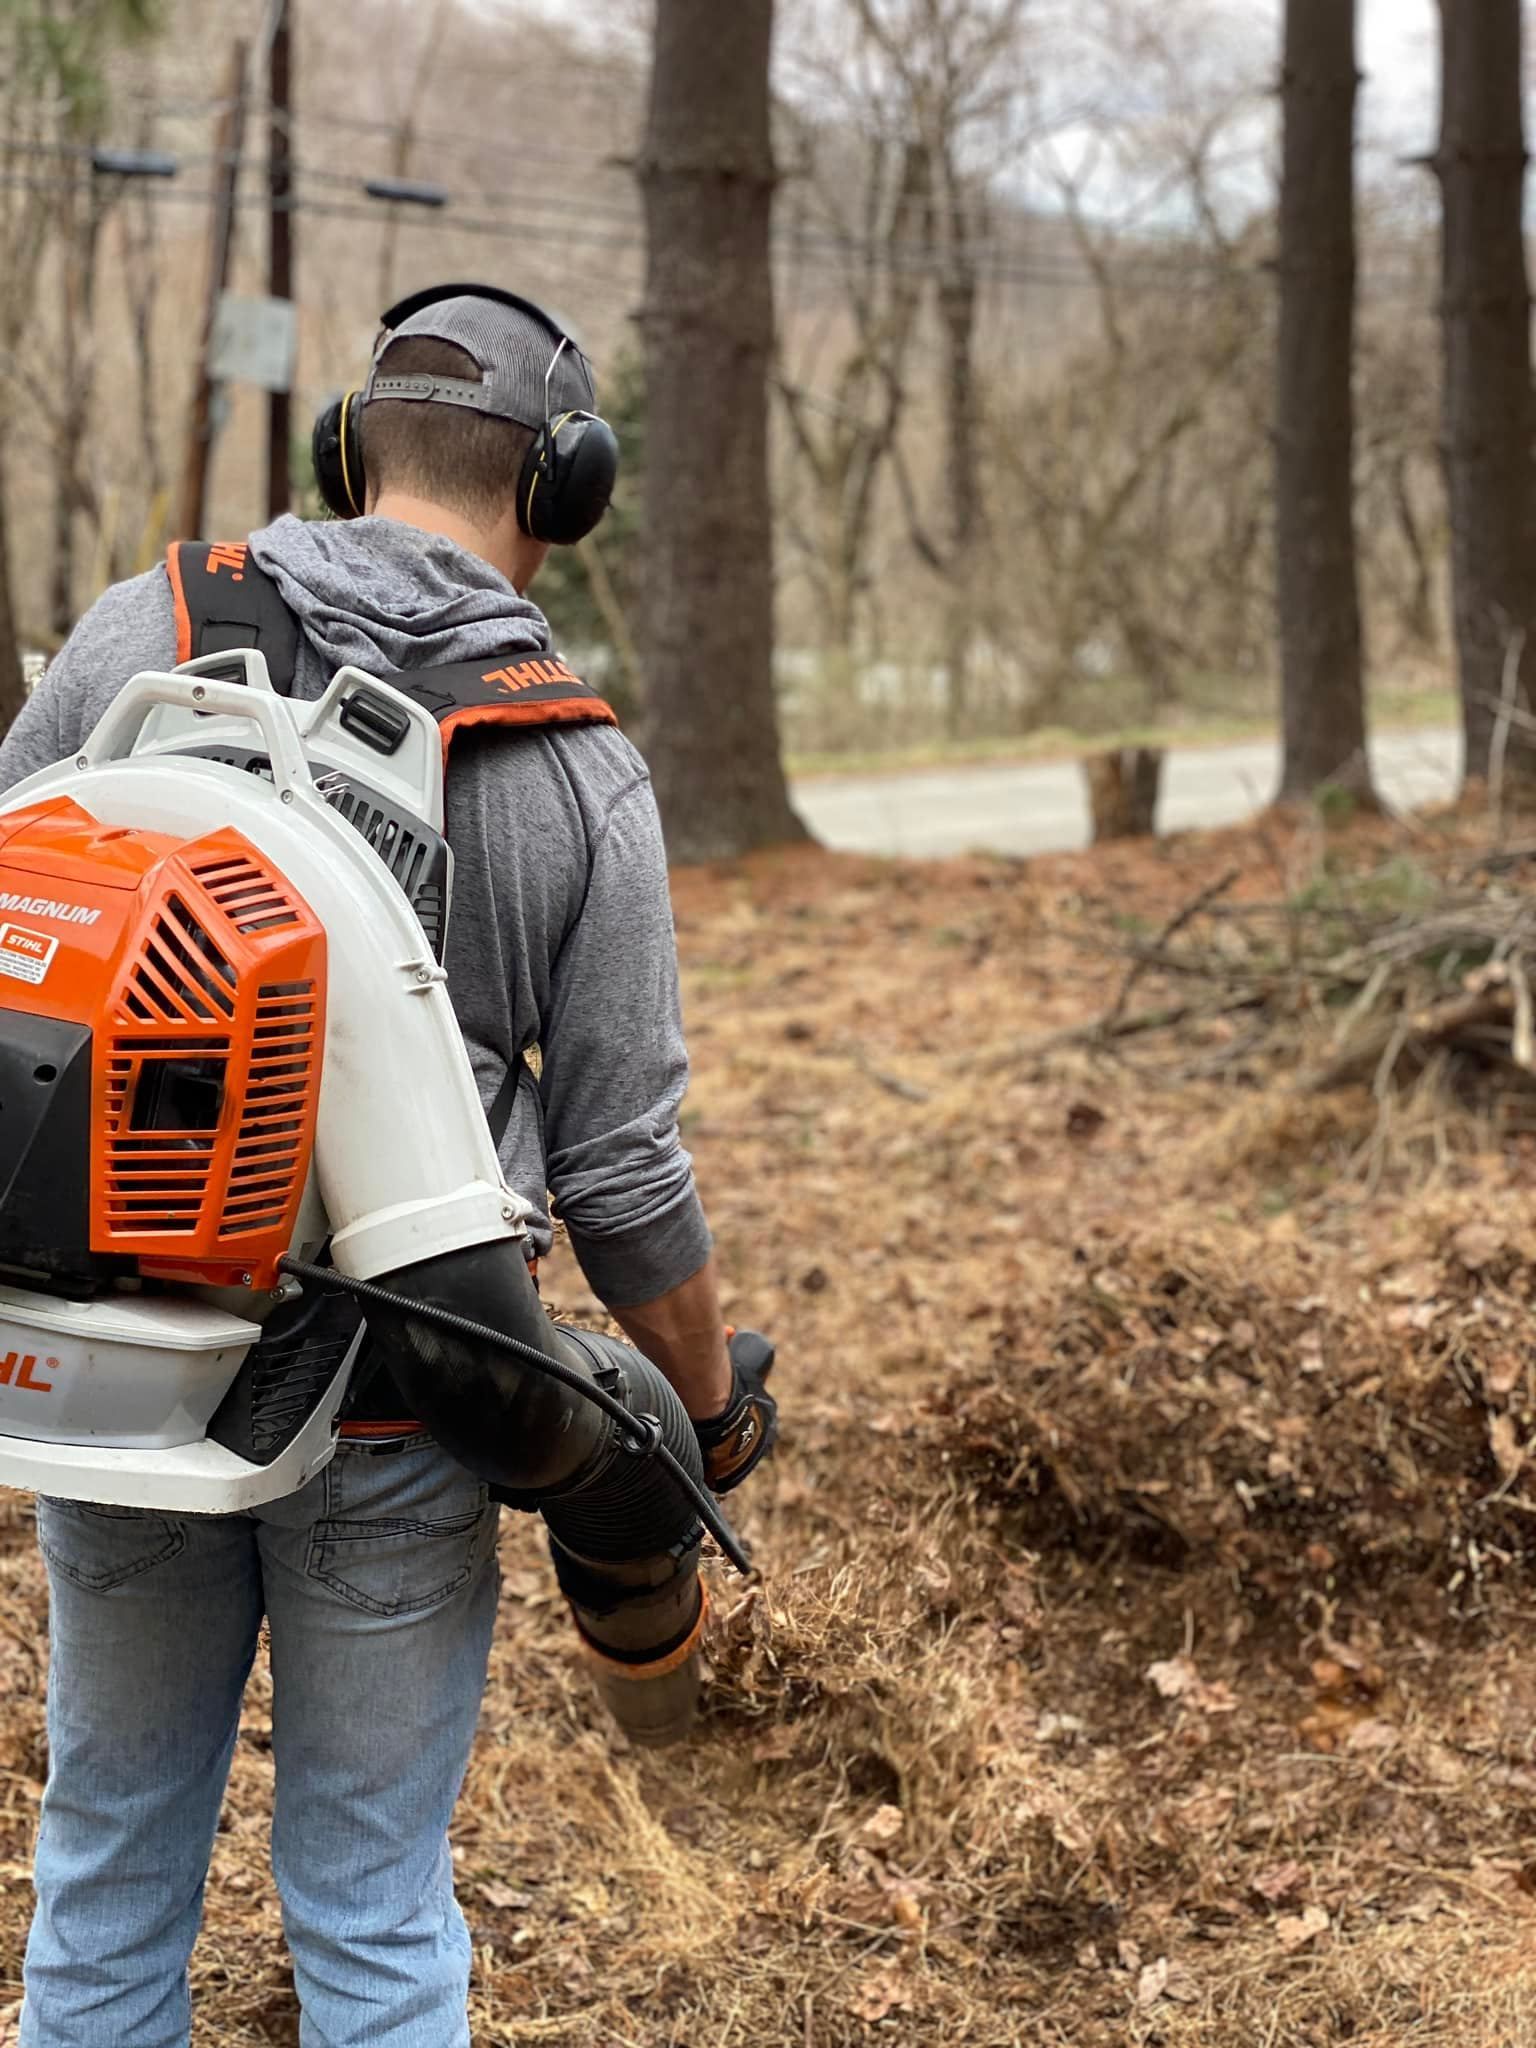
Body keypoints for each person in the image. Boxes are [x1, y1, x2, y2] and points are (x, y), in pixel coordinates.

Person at [0, 288, 777, 2048]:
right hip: (409, 1402)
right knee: (368, 1896)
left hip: (135, 1373)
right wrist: (705, 1412)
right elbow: (625, 1177)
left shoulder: (142, 633)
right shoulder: (574, 766)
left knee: (110, 1855)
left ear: (349, 452)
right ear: (562, 486)